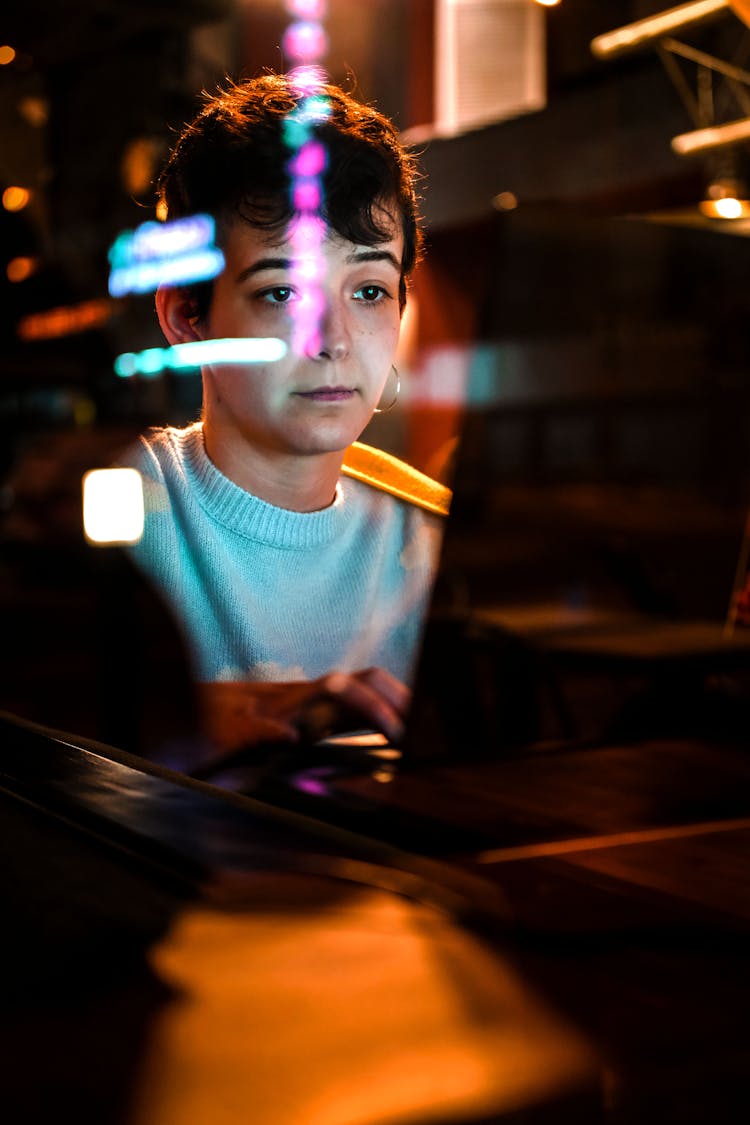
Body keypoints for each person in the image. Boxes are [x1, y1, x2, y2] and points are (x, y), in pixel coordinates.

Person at [123, 73, 451, 761]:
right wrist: (194, 715)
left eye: (368, 289)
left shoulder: (434, 538)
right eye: (280, 292)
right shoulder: (125, 507)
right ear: (188, 318)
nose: (332, 339)